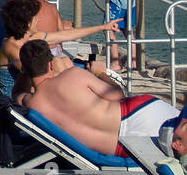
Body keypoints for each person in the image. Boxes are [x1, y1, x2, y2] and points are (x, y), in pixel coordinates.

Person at [16, 41, 185, 159]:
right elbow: (117, 94)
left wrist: (25, 72)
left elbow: (16, 93)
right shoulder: (73, 75)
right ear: (51, 64)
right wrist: (99, 73)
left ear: (24, 68)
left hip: (122, 149)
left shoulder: (32, 104)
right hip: (135, 115)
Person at [0, 0, 115, 98]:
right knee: (58, 63)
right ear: (27, 22)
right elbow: (37, 73)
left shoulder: (33, 37)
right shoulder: (11, 46)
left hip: (34, 93)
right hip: (16, 100)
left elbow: (67, 35)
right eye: (35, 17)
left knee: (64, 61)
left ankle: (82, 98)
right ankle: (83, 97)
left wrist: (103, 27)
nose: (38, 19)